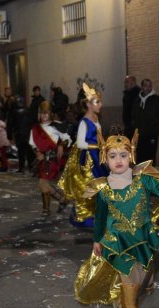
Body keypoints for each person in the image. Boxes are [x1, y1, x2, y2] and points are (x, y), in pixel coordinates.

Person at [77, 134, 159, 308]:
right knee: (130, 278)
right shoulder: (103, 188)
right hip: (117, 241)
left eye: (123, 155)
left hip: (142, 237)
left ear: (131, 156)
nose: (118, 160)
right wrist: (97, 239)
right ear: (105, 159)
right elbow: (100, 217)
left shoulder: (143, 180)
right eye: (113, 155)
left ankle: (123, 301)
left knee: (144, 278)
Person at [58, 83, 108, 227]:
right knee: (89, 187)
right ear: (89, 104)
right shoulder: (84, 122)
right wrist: (97, 146)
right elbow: (80, 143)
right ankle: (85, 216)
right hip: (87, 159)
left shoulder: (96, 120)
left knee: (102, 186)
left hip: (97, 157)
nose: (101, 104)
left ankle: (98, 214)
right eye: (97, 102)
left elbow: (99, 137)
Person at [29, 101, 72, 216]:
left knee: (42, 182)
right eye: (42, 113)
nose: (44, 115)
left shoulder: (56, 125)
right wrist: (37, 152)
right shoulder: (35, 128)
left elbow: (67, 138)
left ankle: (46, 209)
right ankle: (62, 200)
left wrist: (61, 145)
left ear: (50, 113)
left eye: (46, 113)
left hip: (53, 159)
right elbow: (32, 144)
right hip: (42, 160)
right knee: (43, 183)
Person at [131, 79, 159, 164]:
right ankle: (140, 175)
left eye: (149, 85)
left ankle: (151, 175)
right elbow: (133, 114)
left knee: (150, 155)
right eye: (146, 85)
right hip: (139, 133)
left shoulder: (156, 99)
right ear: (142, 87)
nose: (148, 88)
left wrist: (153, 124)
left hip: (151, 133)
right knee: (140, 155)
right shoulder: (137, 100)